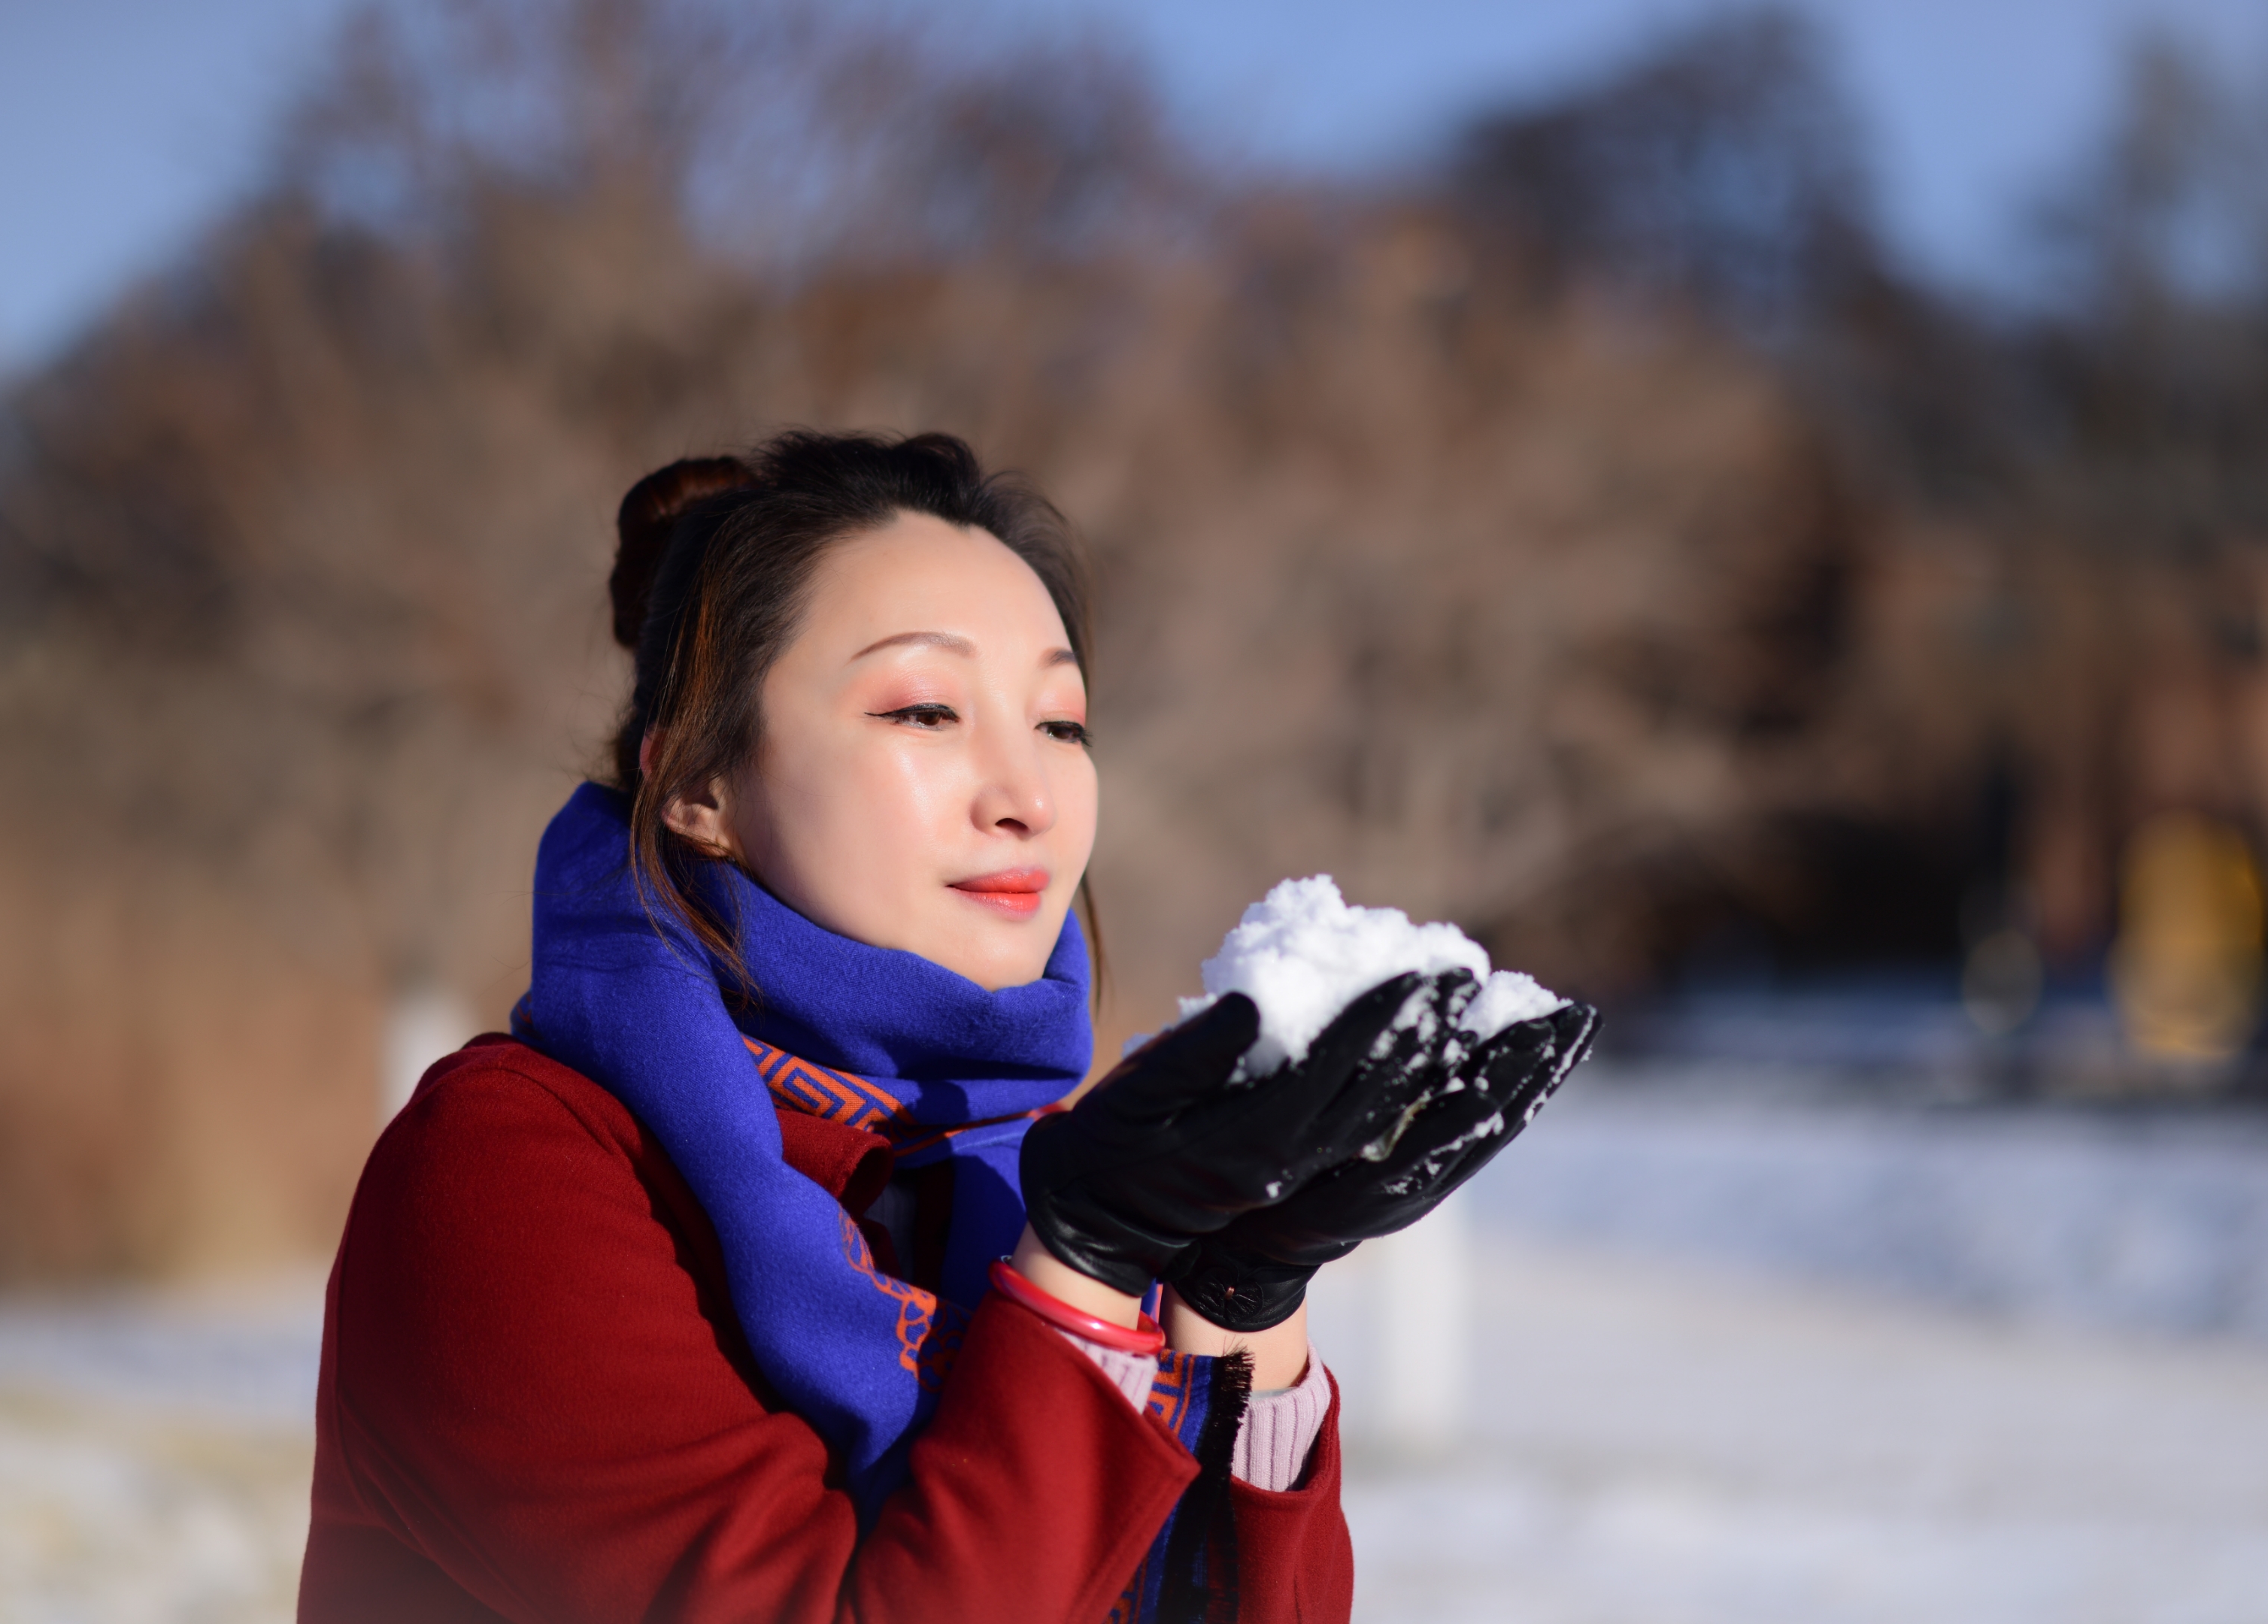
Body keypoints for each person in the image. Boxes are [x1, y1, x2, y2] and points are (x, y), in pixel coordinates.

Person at [298, 430, 1596, 1624]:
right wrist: (1084, 1275)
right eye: (925, 709)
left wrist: (1237, 1298)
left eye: (1060, 721)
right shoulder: (513, 1170)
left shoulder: (1045, 1174)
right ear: (697, 781)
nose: (1026, 792)